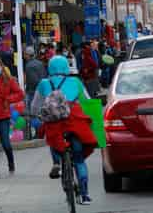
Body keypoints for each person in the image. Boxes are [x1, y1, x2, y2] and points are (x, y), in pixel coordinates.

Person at [31, 56, 97, 205]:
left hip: (54, 124)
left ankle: (57, 164)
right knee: (79, 160)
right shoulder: (76, 82)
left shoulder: (43, 83)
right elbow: (87, 101)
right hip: (75, 123)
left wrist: (37, 115)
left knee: (53, 141)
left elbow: (35, 106)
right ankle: (85, 194)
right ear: (67, 67)